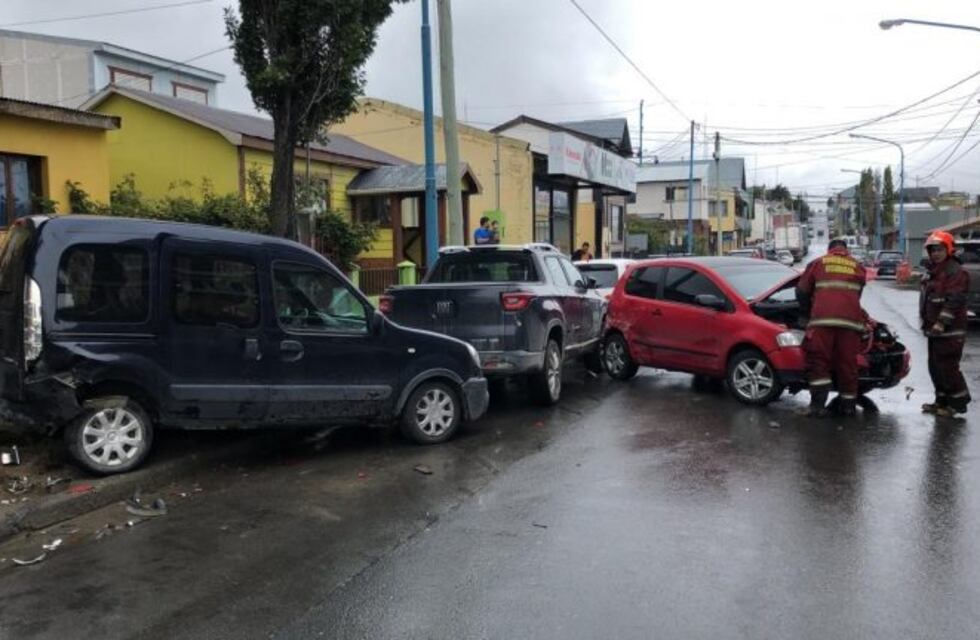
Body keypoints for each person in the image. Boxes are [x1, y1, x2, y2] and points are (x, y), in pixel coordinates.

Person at [796, 238, 867, 417]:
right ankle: (848, 407)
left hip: (822, 322)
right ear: (846, 250)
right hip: (850, 323)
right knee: (848, 365)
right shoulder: (857, 266)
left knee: (819, 362)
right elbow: (856, 294)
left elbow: (801, 291)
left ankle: (817, 406)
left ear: (830, 250)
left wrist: (806, 313)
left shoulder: (818, 263)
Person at [919, 230, 971, 417]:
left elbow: (954, 300)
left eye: (939, 249)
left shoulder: (955, 271)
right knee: (935, 367)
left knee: (948, 367)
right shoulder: (934, 271)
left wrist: (941, 323)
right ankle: (941, 401)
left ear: (948, 249)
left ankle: (958, 404)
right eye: (932, 250)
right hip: (935, 330)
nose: (935, 253)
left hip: (950, 331)